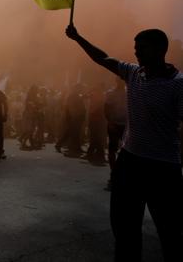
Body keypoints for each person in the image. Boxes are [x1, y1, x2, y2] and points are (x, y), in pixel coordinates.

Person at [66, 23, 183, 262]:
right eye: (135, 48)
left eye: (142, 48)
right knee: (125, 230)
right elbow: (103, 58)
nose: (137, 53)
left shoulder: (178, 84)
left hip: (163, 167)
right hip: (129, 163)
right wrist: (79, 38)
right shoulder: (133, 73)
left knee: (170, 233)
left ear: (161, 50)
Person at [104, 77, 127, 191]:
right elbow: (106, 109)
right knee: (112, 149)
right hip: (115, 124)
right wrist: (110, 122)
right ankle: (114, 172)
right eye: (120, 81)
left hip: (126, 126)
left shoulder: (130, 92)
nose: (121, 83)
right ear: (117, 81)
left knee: (125, 151)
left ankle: (120, 173)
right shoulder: (110, 93)